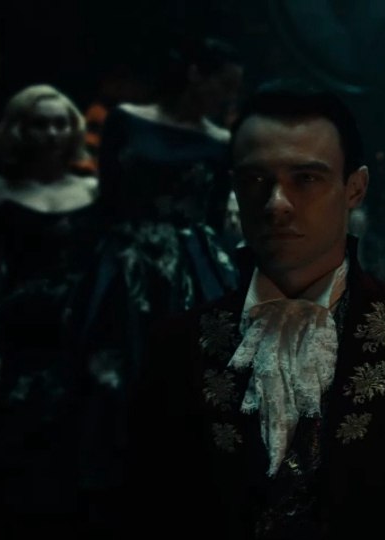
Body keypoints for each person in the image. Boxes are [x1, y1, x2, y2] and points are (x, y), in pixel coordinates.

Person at [126, 83, 385, 539]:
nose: (277, 204)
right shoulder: (177, 345)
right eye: (256, 180)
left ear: (354, 188)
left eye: (306, 178)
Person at [68, 36, 244, 531]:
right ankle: (112, 489)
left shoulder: (220, 141)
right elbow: (108, 199)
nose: (228, 97)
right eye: (224, 85)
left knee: (192, 375)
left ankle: (180, 489)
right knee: (116, 371)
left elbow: (213, 214)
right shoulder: (126, 119)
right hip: (127, 261)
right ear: (195, 74)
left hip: (190, 264)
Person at [0, 84, 100, 535]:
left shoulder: (93, 189)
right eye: (39, 124)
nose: (51, 133)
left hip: (81, 331)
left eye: (59, 123)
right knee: (20, 444)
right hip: (22, 334)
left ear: (72, 129)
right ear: (20, 130)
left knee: (78, 440)